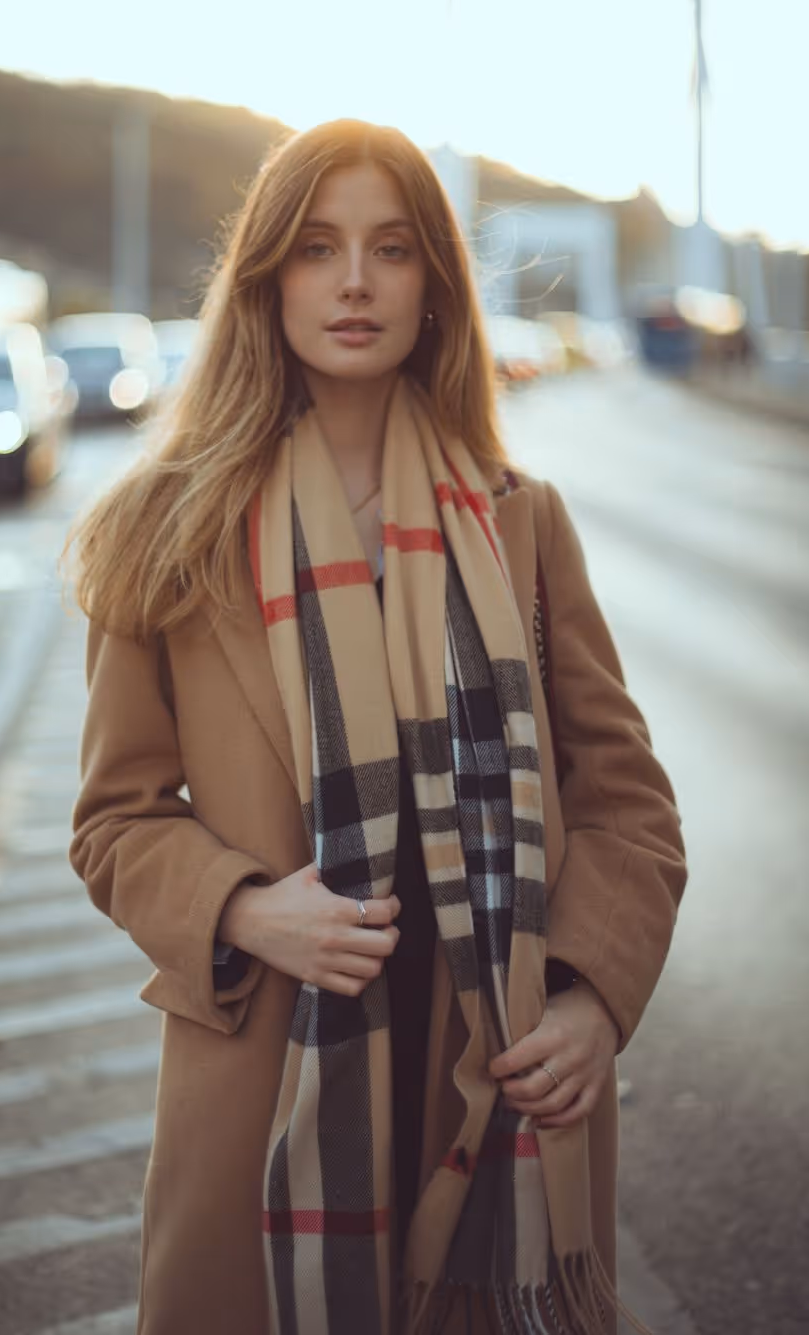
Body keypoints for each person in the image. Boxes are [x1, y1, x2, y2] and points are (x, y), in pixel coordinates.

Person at [66, 119, 687, 1335]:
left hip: (496, 1072)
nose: (354, 281)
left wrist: (591, 1001)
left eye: (391, 249)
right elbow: (114, 820)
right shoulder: (165, 526)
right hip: (273, 1077)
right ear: (266, 281)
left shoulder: (520, 522)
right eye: (316, 248)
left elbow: (625, 802)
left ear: (432, 288)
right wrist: (244, 907)